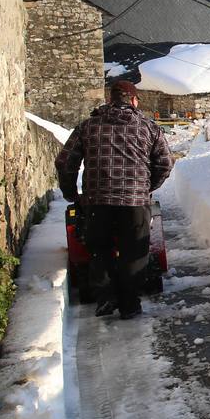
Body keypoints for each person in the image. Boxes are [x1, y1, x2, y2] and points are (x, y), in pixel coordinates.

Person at [56, 81, 174, 320]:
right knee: (134, 251)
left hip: (97, 201)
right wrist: (146, 188)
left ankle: (106, 296)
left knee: (99, 248)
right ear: (133, 100)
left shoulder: (88, 126)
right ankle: (129, 304)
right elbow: (165, 163)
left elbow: (65, 162)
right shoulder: (149, 127)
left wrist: (71, 194)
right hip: (135, 202)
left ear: (110, 99)